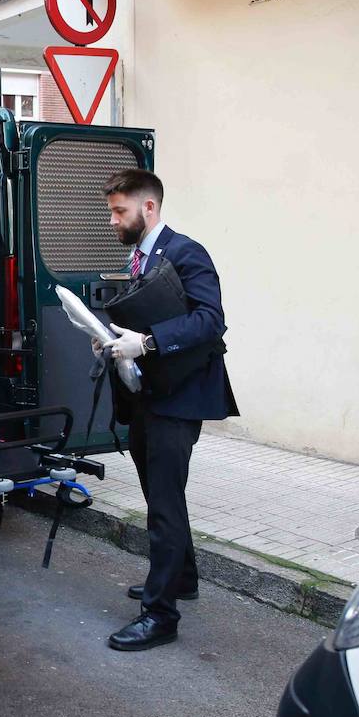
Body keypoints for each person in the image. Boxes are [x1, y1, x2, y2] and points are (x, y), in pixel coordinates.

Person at [99, 169, 239, 652]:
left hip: (179, 397)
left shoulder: (185, 252)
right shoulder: (139, 256)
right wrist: (117, 342)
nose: (113, 220)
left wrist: (150, 342)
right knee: (163, 495)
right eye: (112, 211)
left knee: (163, 503)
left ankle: (160, 615)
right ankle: (183, 579)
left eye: (120, 211)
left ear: (149, 208)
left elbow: (209, 319)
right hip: (150, 394)